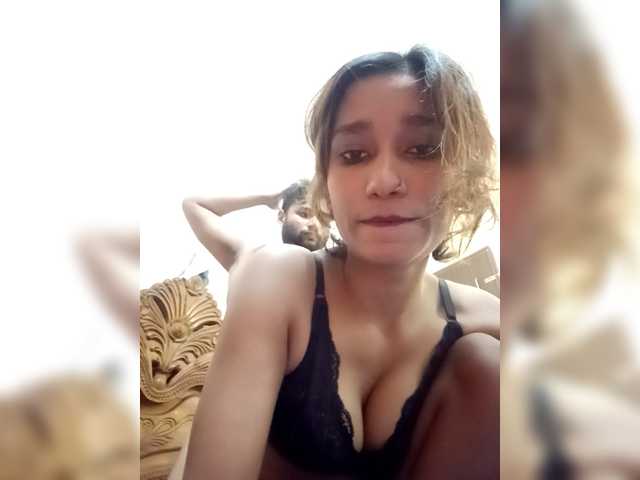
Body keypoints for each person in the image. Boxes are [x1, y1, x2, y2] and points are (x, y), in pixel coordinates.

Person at [183, 45, 500, 480]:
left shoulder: (485, 318)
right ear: (326, 185)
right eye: (353, 155)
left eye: (422, 148)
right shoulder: (276, 277)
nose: (384, 181)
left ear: (466, 174)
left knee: (488, 364)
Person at [182, 180, 330, 271]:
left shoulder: (338, 275)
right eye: (304, 214)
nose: (314, 224)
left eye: (324, 219)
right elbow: (194, 205)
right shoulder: (253, 264)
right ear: (282, 216)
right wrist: (265, 199)